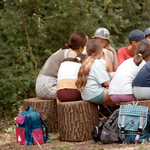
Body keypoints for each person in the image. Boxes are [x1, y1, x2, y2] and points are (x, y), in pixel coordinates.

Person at [36, 32, 87, 100]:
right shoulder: (72, 53)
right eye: (85, 45)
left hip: (42, 84)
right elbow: (71, 77)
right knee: (84, 93)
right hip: (48, 86)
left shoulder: (67, 50)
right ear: (81, 47)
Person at [76, 39, 115, 105]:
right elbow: (107, 83)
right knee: (121, 92)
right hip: (96, 95)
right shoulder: (97, 63)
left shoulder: (85, 63)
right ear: (100, 52)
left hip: (86, 96)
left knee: (116, 100)